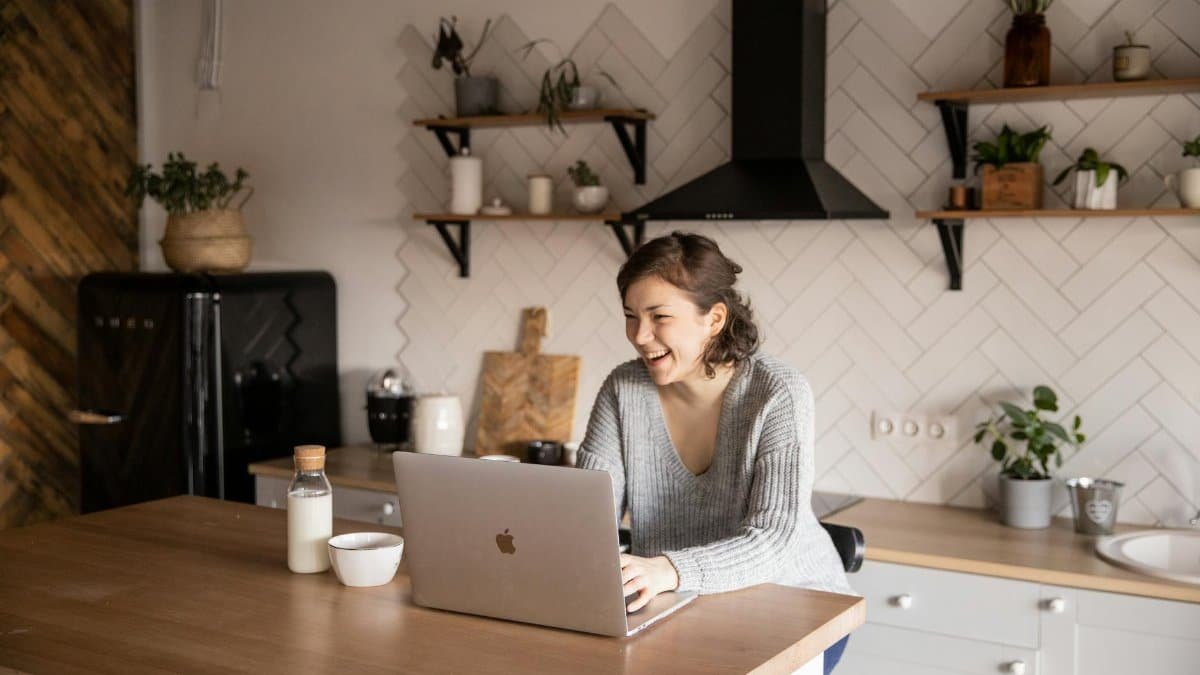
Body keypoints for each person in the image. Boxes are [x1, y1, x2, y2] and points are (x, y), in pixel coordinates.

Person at [576, 231, 854, 674]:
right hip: (673, 606)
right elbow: (585, 519)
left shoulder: (776, 393)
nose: (639, 335)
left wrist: (668, 570)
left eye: (659, 316)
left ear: (714, 318)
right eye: (630, 316)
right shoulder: (622, 389)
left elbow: (773, 541)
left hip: (795, 607)